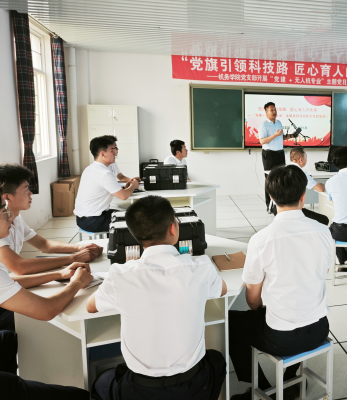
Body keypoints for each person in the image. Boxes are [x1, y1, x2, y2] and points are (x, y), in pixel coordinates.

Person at [88, 196, 227, 400]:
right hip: (194, 386)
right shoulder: (201, 268)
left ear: (135, 234)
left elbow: (91, 307)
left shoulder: (121, 275)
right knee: (216, 360)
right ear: (173, 228)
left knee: (101, 382)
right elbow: (222, 290)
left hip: (139, 391)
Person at [229, 165, 333, 400]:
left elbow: (252, 300)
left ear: (271, 197)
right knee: (294, 312)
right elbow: (323, 271)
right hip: (319, 329)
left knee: (231, 324)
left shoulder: (261, 240)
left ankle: (264, 388)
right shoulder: (323, 231)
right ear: (303, 196)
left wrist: (262, 309)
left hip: (281, 338)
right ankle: (288, 381)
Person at [0, 185, 93, 400]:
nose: (9, 217)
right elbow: (46, 310)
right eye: (4, 211)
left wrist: (59, 274)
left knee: (7, 340)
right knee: (78, 396)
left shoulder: (16, 221)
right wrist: (76, 284)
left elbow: (9, 281)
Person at [0, 164, 103, 331]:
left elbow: (44, 245)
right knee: (55, 318)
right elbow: (20, 268)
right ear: (7, 198)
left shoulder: (15, 220)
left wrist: (74, 253)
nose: (31, 194)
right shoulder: (3, 231)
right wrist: (75, 278)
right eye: (26, 190)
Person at [74, 136, 139, 233]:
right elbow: (124, 196)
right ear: (103, 154)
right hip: (94, 221)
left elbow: (103, 188)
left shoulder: (90, 168)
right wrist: (134, 185)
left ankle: (114, 239)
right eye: (112, 150)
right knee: (137, 221)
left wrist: (124, 187)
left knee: (131, 214)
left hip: (83, 218)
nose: (116, 153)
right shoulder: (104, 173)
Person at [259, 102, 295, 210]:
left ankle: (279, 204)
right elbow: (262, 141)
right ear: (266, 112)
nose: (274, 112)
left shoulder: (279, 122)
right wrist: (275, 135)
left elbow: (281, 137)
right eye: (272, 110)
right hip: (269, 154)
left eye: (275, 109)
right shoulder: (263, 125)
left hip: (280, 153)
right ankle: (269, 205)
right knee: (270, 180)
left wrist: (292, 135)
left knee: (281, 178)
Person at [286, 146, 329, 226]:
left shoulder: (283, 169)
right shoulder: (301, 172)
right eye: (306, 156)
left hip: (278, 209)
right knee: (324, 220)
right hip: (293, 211)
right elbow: (320, 189)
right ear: (301, 159)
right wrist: (321, 184)